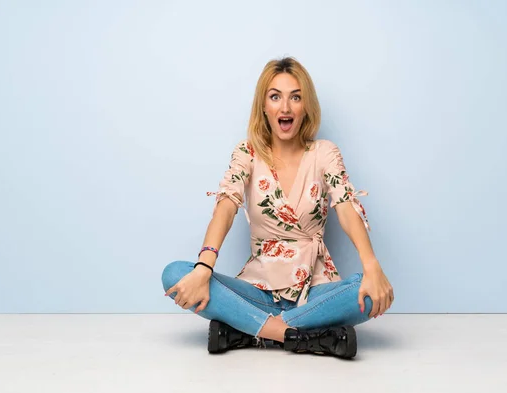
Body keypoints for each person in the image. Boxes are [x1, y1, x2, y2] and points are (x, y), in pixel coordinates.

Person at [161, 57, 394, 359]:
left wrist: (372, 267)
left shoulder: (324, 153)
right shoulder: (248, 152)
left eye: (295, 97)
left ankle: (247, 330)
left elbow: (345, 205)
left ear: (305, 106)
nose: (285, 107)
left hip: (315, 293)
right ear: (264, 107)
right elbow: (226, 205)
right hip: (257, 291)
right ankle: (299, 336)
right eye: (275, 97)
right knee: (175, 274)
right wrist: (205, 267)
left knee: (368, 292)